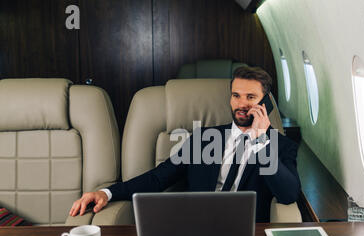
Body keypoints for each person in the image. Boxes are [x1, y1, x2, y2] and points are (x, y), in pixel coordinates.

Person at [69, 66, 301, 222]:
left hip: (247, 233)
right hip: (195, 229)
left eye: (250, 97)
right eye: (236, 95)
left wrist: (261, 141)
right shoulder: (203, 139)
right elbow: (158, 178)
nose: (241, 104)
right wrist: (107, 192)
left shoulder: (281, 146)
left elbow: (288, 194)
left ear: (265, 104)